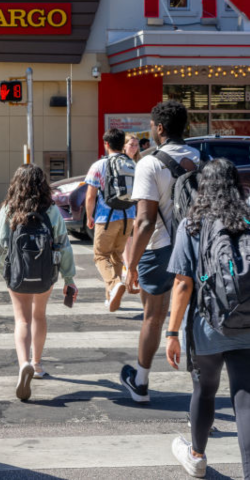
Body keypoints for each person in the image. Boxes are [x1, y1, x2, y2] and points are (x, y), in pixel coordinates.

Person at [166, 158, 250, 479]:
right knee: (245, 400)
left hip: (207, 328)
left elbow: (182, 283)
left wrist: (172, 333)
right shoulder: (248, 218)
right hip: (247, 324)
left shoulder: (193, 224)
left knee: (204, 391)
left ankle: (197, 456)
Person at [122, 100, 200, 403]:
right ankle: (200, 388)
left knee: (153, 316)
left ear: (160, 128)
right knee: (194, 314)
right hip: (194, 245)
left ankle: (140, 383)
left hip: (159, 248)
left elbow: (144, 220)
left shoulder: (149, 163)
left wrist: (131, 263)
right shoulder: (198, 157)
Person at [0, 164, 77, 399]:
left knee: (22, 319)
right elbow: (63, 244)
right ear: (42, 185)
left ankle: (23, 364)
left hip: (17, 275)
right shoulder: (51, 210)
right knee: (39, 315)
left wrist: (3, 270)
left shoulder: (9, 209)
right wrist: (69, 278)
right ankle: (37, 365)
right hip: (45, 273)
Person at [84, 128, 136, 311]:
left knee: (100, 255)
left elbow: (90, 195)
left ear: (106, 144)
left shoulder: (99, 165)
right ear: (123, 144)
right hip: (128, 216)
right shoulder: (131, 163)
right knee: (116, 255)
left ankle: (114, 285)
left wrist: (89, 216)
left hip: (107, 217)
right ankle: (111, 297)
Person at [122, 133, 142, 280]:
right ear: (124, 146)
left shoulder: (139, 162)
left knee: (135, 236)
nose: (134, 148)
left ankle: (131, 265)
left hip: (138, 202)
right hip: (126, 203)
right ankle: (128, 266)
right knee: (127, 237)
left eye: (136, 145)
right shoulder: (122, 161)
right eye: (131, 144)